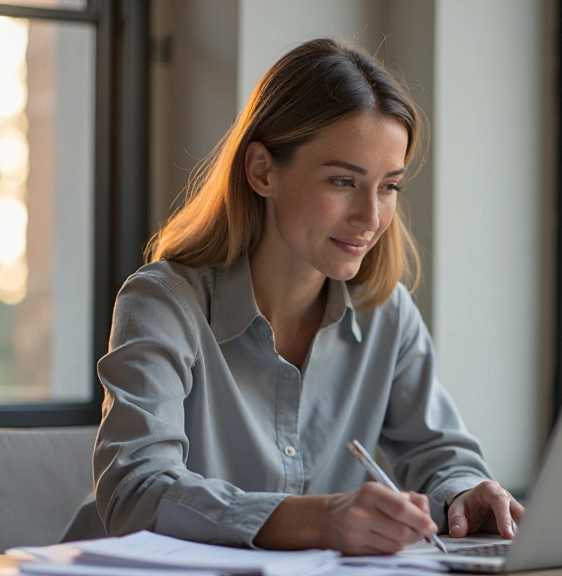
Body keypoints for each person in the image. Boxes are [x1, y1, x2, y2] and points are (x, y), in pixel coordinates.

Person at [63, 38, 523, 555]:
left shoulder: (387, 315)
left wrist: (465, 493)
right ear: (262, 171)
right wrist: (319, 520)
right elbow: (137, 491)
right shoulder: (163, 302)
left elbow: (442, 455)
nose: (371, 218)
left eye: (389, 187)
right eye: (343, 181)